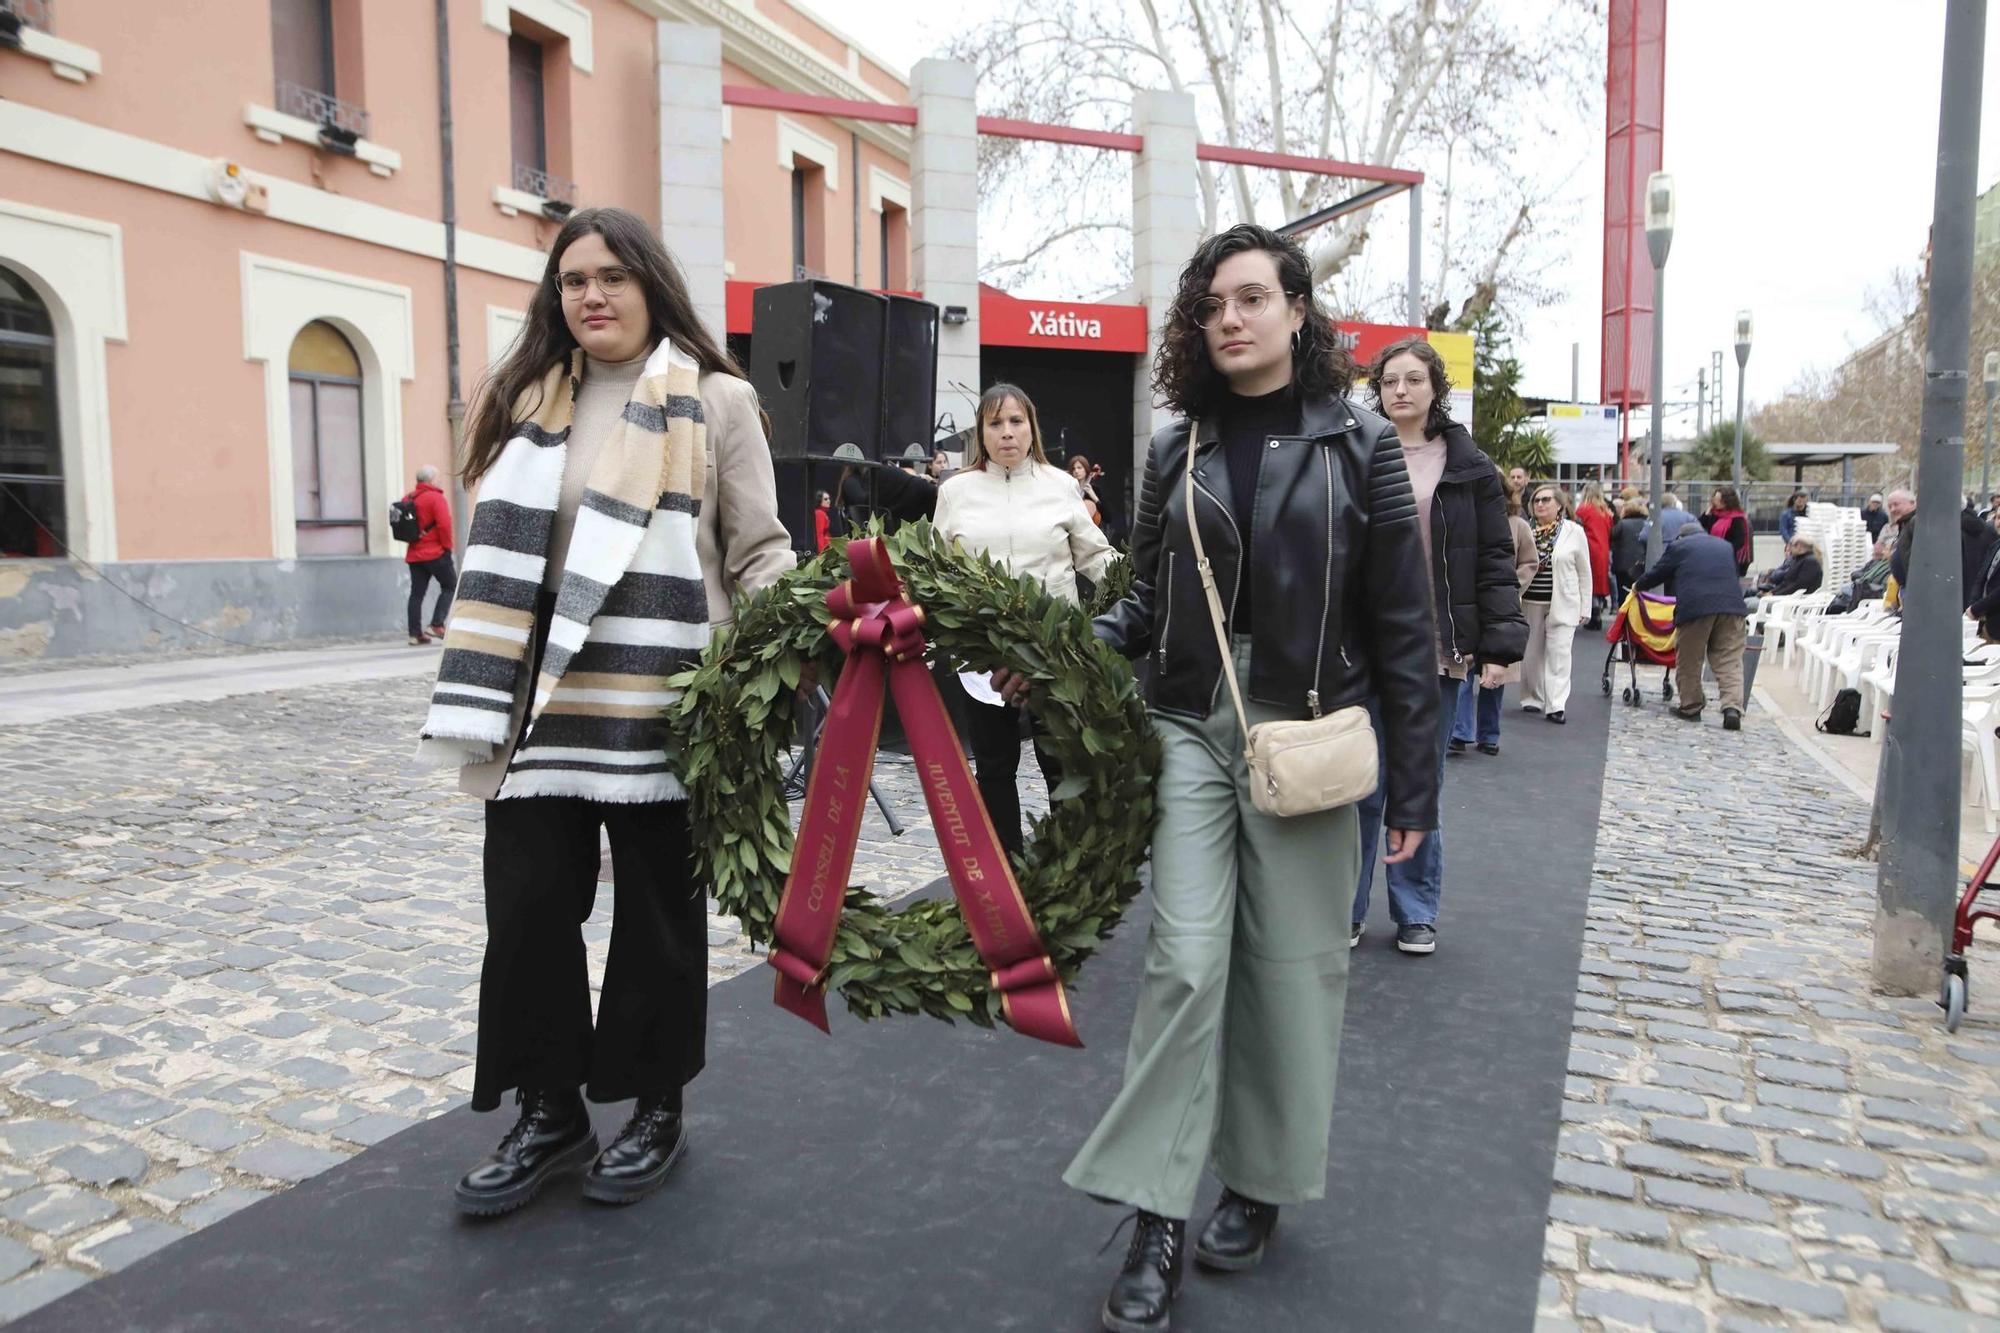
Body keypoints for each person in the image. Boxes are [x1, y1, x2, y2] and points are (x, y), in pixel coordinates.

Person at [1037, 223, 1437, 1332]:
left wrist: (1414, 791)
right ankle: (1156, 1212)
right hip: (1191, 723)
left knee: (1291, 966)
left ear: (1297, 313)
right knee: (1183, 959)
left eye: (1252, 298)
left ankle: (1256, 1182)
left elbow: (1404, 623)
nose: (1229, 317)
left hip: (1309, 727)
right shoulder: (1180, 445)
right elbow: (1142, 595)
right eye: (1212, 303)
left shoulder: (1358, 445)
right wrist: (1053, 648)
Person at [420, 207, 793, 1217]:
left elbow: (757, 549)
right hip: (537, 707)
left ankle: (653, 1107)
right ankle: (550, 1112)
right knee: (531, 915)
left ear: (651, 286)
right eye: (573, 278)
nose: (591, 294)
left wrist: (791, 649)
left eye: (612, 276)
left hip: (666, 704)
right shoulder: (524, 400)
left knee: (658, 927)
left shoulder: (716, 401)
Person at [1351, 336, 1524, 955]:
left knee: (1417, 788)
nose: (1400, 390)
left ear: (1434, 389)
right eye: (1390, 381)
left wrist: (1501, 648)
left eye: (1413, 380)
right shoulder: (1355, 452)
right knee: (1358, 788)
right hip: (1363, 649)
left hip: (1437, 651)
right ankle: (1346, 908)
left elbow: (1495, 561)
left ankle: (1416, 910)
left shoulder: (1468, 466)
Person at [932, 384, 1115, 858]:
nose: (1007, 433)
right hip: (983, 657)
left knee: (1062, 765)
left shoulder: (1061, 485)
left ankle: (1070, 871)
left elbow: (1094, 557)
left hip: (1055, 651)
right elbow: (935, 571)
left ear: (1031, 427)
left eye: (1016, 422)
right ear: (981, 433)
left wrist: (1143, 587)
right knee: (994, 767)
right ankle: (1006, 875)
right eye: (995, 423)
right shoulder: (954, 492)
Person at [1452, 478, 1538, 756]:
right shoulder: (1463, 521)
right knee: (1463, 669)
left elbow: (1530, 562)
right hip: (1466, 606)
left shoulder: (1518, 525)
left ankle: (1488, 734)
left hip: (1498, 606)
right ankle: (1461, 731)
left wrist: (1510, 585)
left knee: (1494, 673)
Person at [1634, 523, 1750, 730]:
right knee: (1729, 659)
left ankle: (1691, 706)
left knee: (1690, 658)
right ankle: (1732, 708)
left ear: (1681, 537)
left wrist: (1638, 586)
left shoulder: (1679, 547)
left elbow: (1658, 572)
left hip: (1696, 608)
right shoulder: (1724, 546)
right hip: (1733, 607)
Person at [1519, 482, 1593, 723]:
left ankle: (1556, 704)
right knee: (1531, 654)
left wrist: (1585, 606)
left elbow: (1584, 572)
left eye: (1546, 500)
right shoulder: (1524, 530)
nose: (1540, 504)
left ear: (1560, 505)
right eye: (1537, 500)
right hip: (1529, 601)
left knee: (1560, 654)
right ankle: (1532, 697)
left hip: (1564, 601)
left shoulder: (1574, 532)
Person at [402, 465, 456, 645]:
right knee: (450, 586)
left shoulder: (408, 498)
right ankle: (436, 624)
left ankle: (414, 634)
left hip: (415, 555)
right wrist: (447, 548)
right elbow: (444, 526)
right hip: (435, 553)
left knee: (416, 594)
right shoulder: (436, 498)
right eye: (438, 478)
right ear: (431, 480)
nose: (440, 481)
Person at [1576, 481, 1615, 628]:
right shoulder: (1605, 512)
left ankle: (1594, 615)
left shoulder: (1583, 510)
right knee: (1599, 581)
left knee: (1588, 580)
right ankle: (1597, 610)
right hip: (1603, 548)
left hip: (1588, 548)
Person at [1705, 487, 1753, 577]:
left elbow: (1739, 541)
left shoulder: (1737, 518)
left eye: (1718, 499)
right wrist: (1706, 514)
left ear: (1726, 501)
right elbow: (1700, 525)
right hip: (1712, 556)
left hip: (1729, 558)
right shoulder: (1713, 514)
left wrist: (1723, 549)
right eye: (1714, 498)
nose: (1715, 501)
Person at [1609, 498, 1650, 601]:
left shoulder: (1622, 524)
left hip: (1623, 566)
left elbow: (1611, 536)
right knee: (1641, 593)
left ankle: (1625, 615)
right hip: (1642, 564)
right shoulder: (1647, 523)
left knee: (1623, 595)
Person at [1756, 535, 1823, 597]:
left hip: (1795, 602)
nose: (1789, 549)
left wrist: (1774, 595)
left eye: (1791, 545)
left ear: (1799, 546)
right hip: (1789, 599)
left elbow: (1798, 586)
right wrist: (1772, 592)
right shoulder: (1799, 560)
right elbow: (1786, 583)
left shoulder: (1810, 562)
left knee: (1750, 603)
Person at [1965, 499, 1998, 611]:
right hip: (1987, 616)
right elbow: (1982, 576)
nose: (1999, 523)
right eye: (1998, 518)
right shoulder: (1995, 545)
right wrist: (1973, 603)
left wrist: (1977, 609)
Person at [1068, 452, 1106, 526]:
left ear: (1086, 469)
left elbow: (1107, 517)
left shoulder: (1095, 490)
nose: (1076, 471)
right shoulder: (1068, 490)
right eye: (1073, 469)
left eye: (1079, 468)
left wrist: (1094, 497)